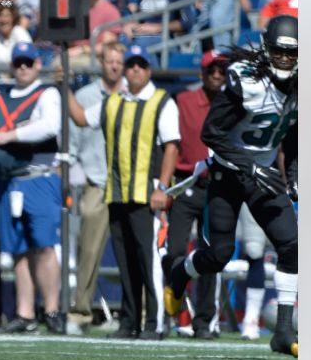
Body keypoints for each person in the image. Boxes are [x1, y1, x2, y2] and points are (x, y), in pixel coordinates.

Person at [166, 16, 298, 358]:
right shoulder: (247, 81)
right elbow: (211, 133)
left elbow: (294, 132)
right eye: (279, 52)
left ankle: (282, 330)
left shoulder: (303, 86)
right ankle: (181, 272)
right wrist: (251, 165)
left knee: (292, 245)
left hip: (263, 174)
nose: (285, 59)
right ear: (267, 50)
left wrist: (294, 175)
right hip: (228, 174)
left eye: (292, 53)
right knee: (219, 255)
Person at [69, 45, 180, 340]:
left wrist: (163, 187)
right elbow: (81, 118)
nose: (134, 70)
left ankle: (156, 322)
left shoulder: (161, 101)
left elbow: (171, 146)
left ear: (149, 70)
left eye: (140, 65)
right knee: (126, 260)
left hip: (147, 194)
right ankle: (129, 321)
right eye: (131, 65)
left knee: (149, 260)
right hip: (117, 193)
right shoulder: (113, 101)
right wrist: (62, 87)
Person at [0, 42, 64, 335]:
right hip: (8, 181)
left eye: (27, 63)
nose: (22, 68)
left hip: (39, 177)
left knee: (43, 246)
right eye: (18, 63)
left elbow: (49, 127)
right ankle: (25, 312)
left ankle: (53, 309)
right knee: (17, 250)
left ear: (37, 65)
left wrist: (5, 136)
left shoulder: (47, 93)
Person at [165, 51, 228, 338]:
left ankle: (204, 321)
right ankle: (174, 313)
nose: (216, 75)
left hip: (217, 186)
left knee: (210, 255)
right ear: (201, 73)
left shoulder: (233, 103)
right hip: (184, 184)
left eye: (221, 70)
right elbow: (170, 142)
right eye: (211, 70)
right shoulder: (183, 102)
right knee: (175, 251)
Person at [67, 42, 124, 332]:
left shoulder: (134, 94)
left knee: (135, 253)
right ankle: (80, 312)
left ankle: (137, 314)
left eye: (119, 61)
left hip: (129, 183)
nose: (114, 65)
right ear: (100, 62)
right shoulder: (86, 96)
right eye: (109, 60)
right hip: (97, 180)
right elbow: (74, 141)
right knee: (88, 250)